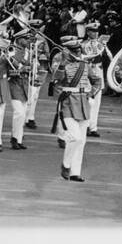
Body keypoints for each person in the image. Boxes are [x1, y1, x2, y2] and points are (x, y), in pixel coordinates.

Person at [50, 34, 102, 182]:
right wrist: (63, 62)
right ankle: (66, 165)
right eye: (74, 50)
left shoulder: (85, 64)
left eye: (78, 49)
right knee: (75, 137)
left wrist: (91, 95)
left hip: (83, 102)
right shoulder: (62, 63)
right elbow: (57, 78)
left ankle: (75, 172)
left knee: (82, 140)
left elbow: (97, 81)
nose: (77, 52)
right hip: (68, 102)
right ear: (68, 50)